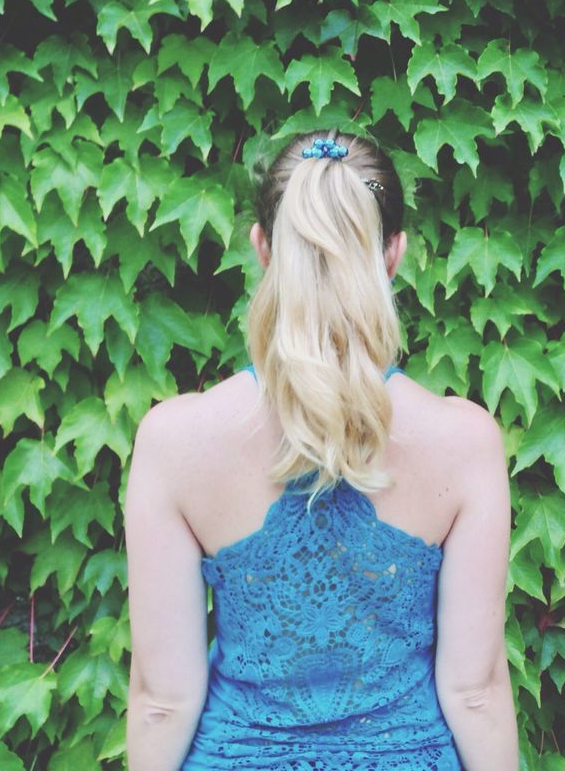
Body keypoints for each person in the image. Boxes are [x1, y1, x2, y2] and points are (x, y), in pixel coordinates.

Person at [123, 132, 518, 770]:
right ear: (394, 254)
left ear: (261, 247)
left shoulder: (174, 442)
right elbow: (475, 690)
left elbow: (162, 700)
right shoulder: (466, 442)